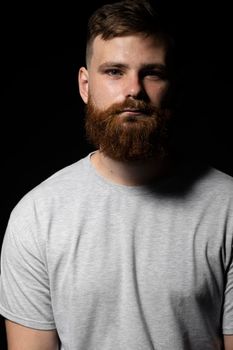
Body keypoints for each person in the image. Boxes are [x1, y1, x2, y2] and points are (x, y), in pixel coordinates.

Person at [0, 0, 233, 349]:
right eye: (114, 72)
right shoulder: (36, 216)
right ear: (85, 85)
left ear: (175, 87)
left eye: (152, 72)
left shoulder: (228, 207)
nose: (133, 90)